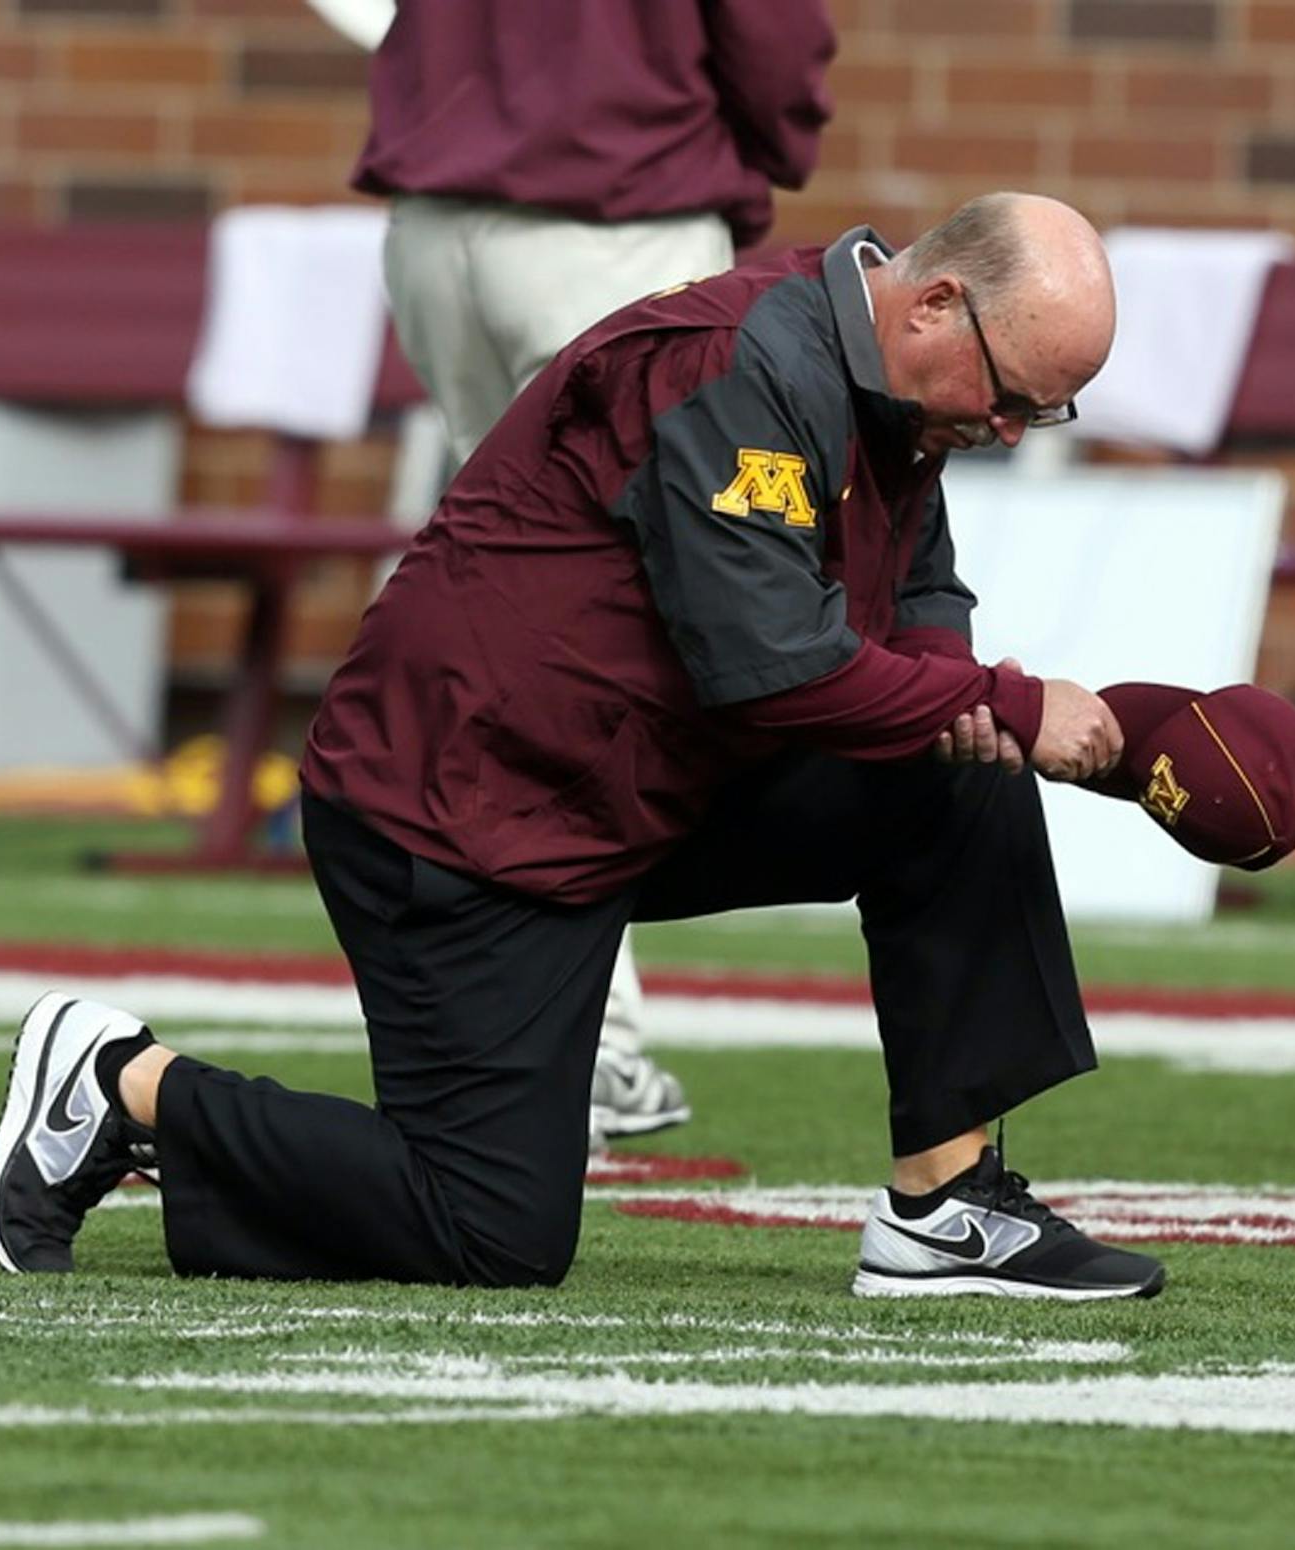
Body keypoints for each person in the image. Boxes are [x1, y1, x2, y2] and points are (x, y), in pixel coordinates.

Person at [0, 191, 1169, 1301]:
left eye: (1044, 411)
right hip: (463, 806)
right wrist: (1012, 704)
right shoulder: (733, 367)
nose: (1012, 431)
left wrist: (1023, 720)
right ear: (934, 304)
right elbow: (770, 664)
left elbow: (920, 601)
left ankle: (946, 1205)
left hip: (626, 781)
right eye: (1013, 395)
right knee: (492, 1228)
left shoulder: (897, 393)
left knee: (956, 772)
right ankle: (118, 1083)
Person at [352, 0, 838, 1143]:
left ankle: (508, 1022)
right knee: (609, 629)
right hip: (613, 202)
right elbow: (774, 39)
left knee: (502, 604)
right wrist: (768, 141)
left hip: (437, 218)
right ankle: (578, 1039)